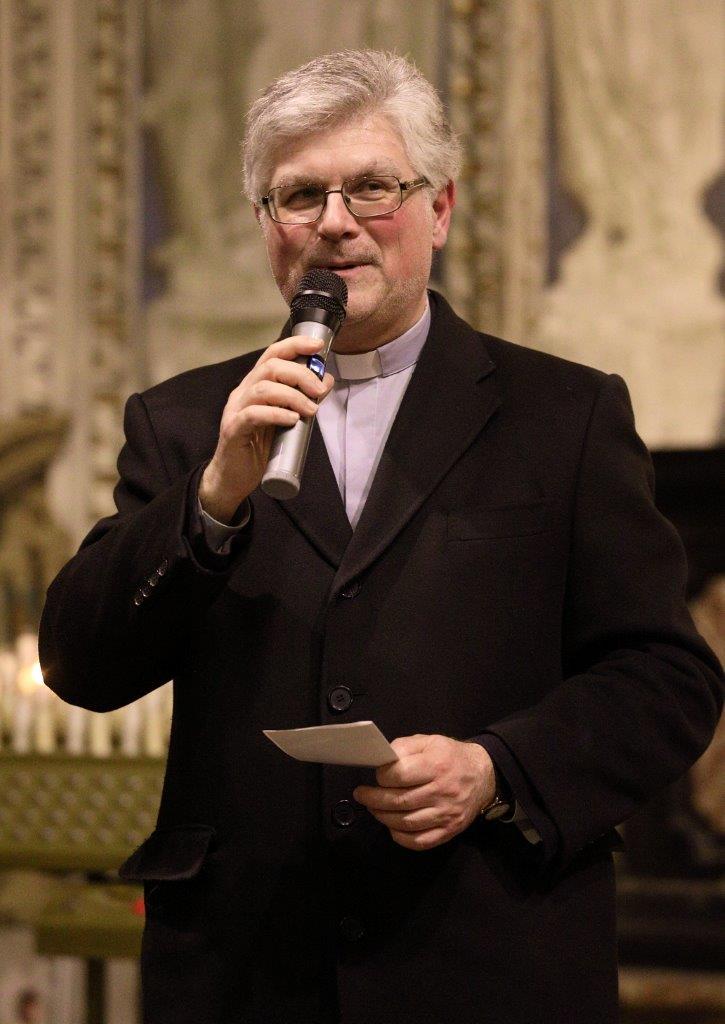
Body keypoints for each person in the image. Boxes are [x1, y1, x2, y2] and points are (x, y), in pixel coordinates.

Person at [39, 50, 722, 1024]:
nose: (334, 221)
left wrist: (496, 769)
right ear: (265, 226)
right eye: (298, 195)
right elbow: (81, 664)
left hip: (485, 961)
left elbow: (667, 678)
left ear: (438, 209)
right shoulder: (187, 423)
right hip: (246, 972)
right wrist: (216, 495)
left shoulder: (562, 417)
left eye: (371, 187)